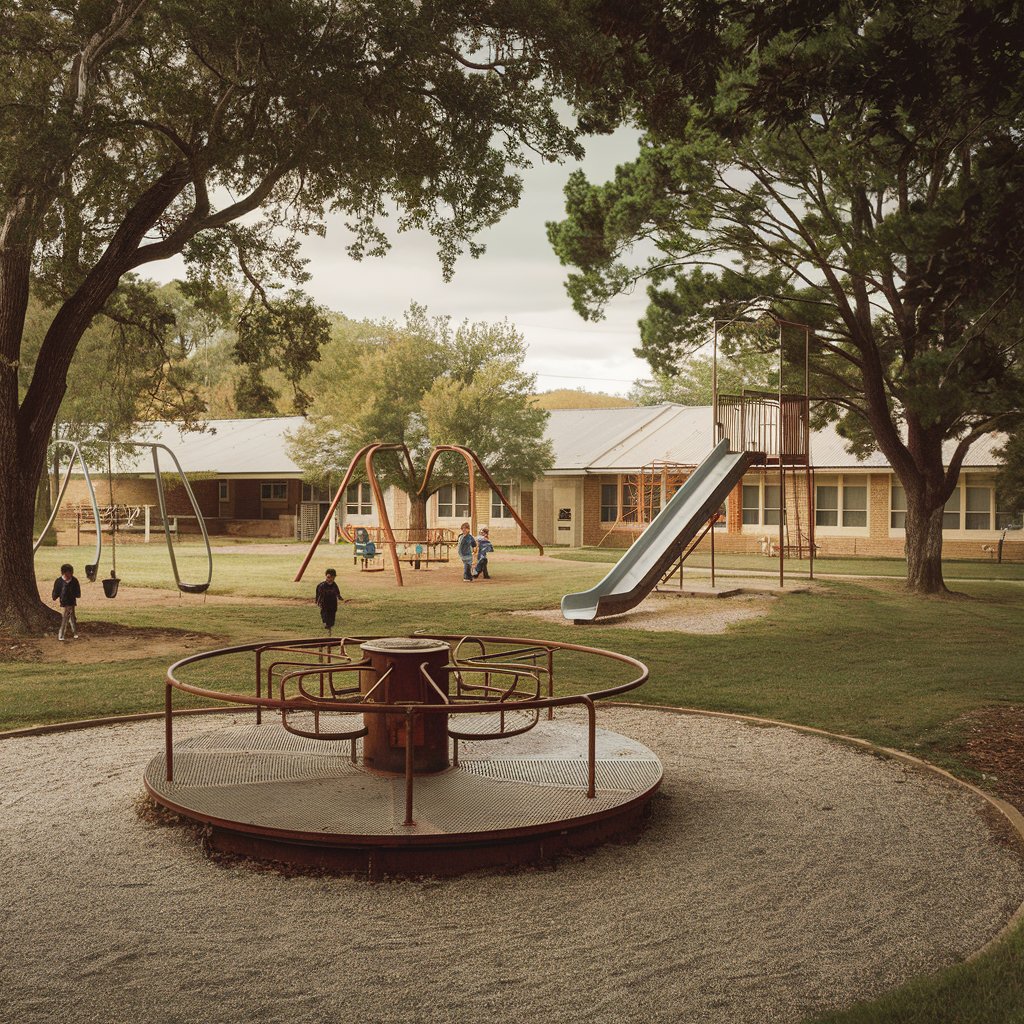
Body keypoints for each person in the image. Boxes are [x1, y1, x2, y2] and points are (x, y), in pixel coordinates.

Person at [52, 563, 82, 641]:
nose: (70, 575)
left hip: (72, 601)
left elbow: (77, 591)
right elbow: (56, 590)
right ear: (63, 573)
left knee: (72, 617)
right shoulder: (59, 581)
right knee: (66, 617)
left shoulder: (74, 580)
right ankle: (62, 634)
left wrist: (76, 594)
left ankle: (74, 633)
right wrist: (54, 596)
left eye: (71, 573)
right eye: (68, 573)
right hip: (64, 602)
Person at [315, 568, 343, 634]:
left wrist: (339, 597)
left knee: (332, 613)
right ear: (326, 576)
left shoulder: (334, 585)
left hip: (333, 602)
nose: (330, 579)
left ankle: (331, 624)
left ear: (334, 577)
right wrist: (318, 601)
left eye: (332, 577)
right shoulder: (321, 585)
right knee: (324, 613)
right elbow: (318, 594)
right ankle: (326, 623)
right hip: (324, 602)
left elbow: (337, 592)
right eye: (328, 577)